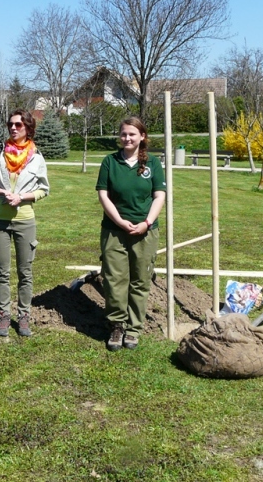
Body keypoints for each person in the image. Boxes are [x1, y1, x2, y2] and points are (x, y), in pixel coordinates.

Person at [96, 117, 166, 351]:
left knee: (140, 280)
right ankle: (117, 325)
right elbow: (103, 195)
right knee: (115, 279)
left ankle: (134, 328)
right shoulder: (110, 162)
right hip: (114, 231)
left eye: (132, 134)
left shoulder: (153, 163)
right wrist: (120, 221)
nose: (127, 138)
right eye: (124, 134)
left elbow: (159, 196)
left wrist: (147, 222)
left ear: (142, 137)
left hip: (145, 232)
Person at [0, 109, 49, 337]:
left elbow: (43, 189)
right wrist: (1, 192)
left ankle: (23, 316)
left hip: (25, 221)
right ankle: (3, 315)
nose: (13, 128)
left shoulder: (36, 157)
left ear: (28, 128)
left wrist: (22, 197)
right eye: (11, 124)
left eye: (19, 125)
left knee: (25, 272)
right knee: (2, 272)